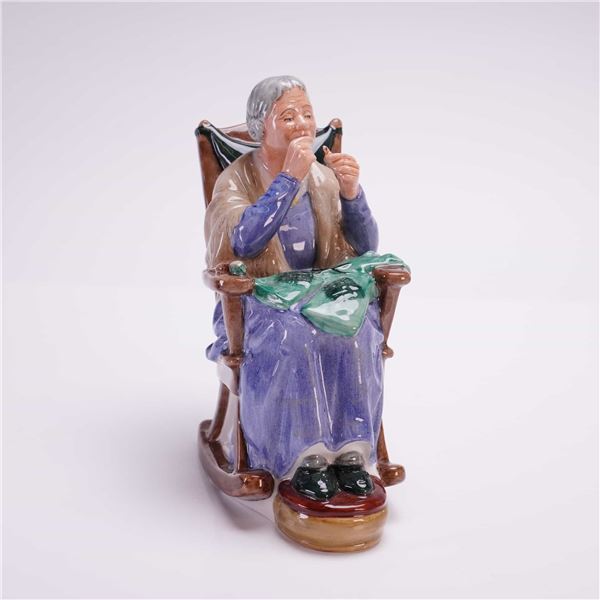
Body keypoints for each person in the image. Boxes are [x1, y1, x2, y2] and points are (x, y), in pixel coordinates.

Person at [205, 76, 383, 500]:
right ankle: (303, 457)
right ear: (259, 127)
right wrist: (286, 179)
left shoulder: (322, 178)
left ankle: (351, 452)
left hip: (321, 292)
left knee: (357, 328)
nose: (302, 124)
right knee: (295, 335)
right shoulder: (236, 180)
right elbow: (243, 242)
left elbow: (364, 247)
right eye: (288, 116)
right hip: (258, 302)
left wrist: (352, 194)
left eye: (307, 114)